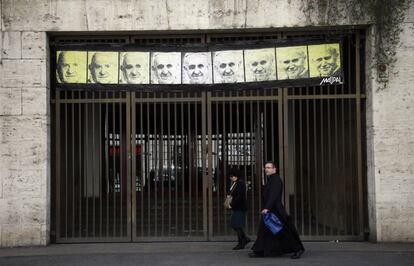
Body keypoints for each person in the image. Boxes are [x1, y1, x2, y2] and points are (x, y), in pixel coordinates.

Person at [249, 161, 305, 259]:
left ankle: (298, 249)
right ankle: (260, 251)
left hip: (276, 210)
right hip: (271, 209)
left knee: (283, 231)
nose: (266, 169)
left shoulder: (276, 180)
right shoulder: (271, 179)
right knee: (265, 231)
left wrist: (267, 208)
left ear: (275, 169)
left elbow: (274, 196)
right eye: (265, 167)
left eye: (269, 167)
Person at [227, 168, 251, 250]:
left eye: (231, 176)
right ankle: (245, 239)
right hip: (237, 207)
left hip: (239, 207)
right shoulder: (236, 183)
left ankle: (241, 242)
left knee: (237, 225)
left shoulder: (240, 184)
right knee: (235, 225)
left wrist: (232, 204)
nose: (230, 178)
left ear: (236, 175)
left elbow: (240, 197)